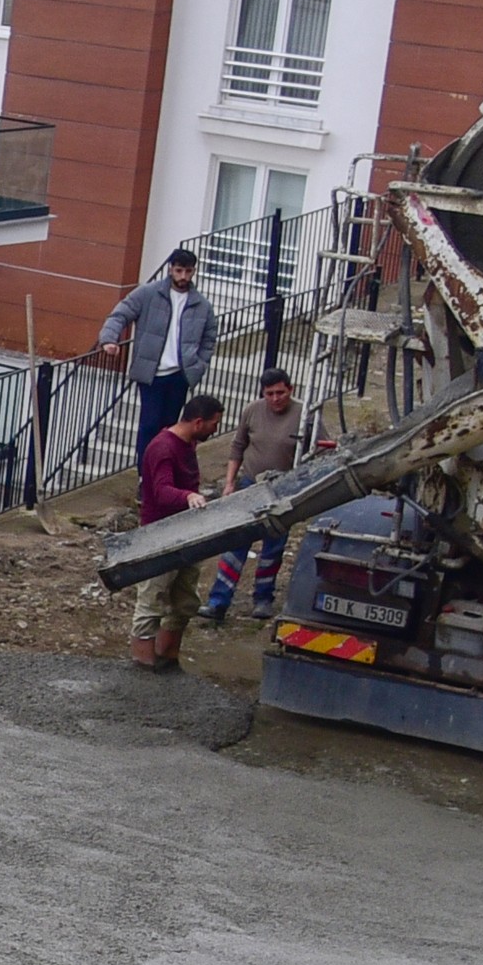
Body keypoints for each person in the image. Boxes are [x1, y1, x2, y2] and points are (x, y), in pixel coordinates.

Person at [130, 394, 226, 671]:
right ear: (198, 422)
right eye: (214, 424)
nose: (216, 429)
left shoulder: (187, 444)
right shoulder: (163, 448)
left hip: (184, 532)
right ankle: (143, 664)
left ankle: (168, 657)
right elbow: (161, 492)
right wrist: (188, 497)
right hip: (158, 535)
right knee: (152, 598)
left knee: (183, 599)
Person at [200, 367, 300, 624]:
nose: (276, 399)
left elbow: (318, 450)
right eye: (270, 394)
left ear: (290, 390)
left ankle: (263, 598)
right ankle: (218, 601)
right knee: (235, 542)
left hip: (283, 489)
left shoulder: (305, 414)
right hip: (250, 484)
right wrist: (230, 483)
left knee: (273, 547)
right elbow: (238, 447)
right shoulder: (252, 411)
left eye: (280, 393)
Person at [97, 249, 215, 466]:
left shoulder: (202, 305)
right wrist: (109, 339)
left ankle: (162, 474)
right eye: (179, 270)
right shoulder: (148, 293)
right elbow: (120, 313)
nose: (183, 277)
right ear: (170, 269)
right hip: (152, 373)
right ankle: (145, 475)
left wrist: (198, 365)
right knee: (149, 425)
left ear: (193, 272)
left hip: (180, 374)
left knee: (170, 428)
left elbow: (209, 338)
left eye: (188, 271)